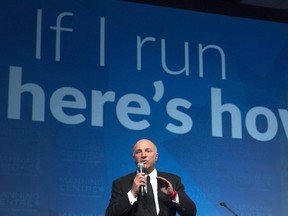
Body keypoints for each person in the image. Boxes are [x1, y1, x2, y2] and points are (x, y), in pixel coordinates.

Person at [105, 138, 197, 216]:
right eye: (138, 152)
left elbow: (191, 212)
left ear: (156, 156)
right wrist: (132, 193)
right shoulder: (121, 183)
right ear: (134, 157)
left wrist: (172, 195)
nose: (143, 155)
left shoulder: (172, 180)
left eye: (148, 151)